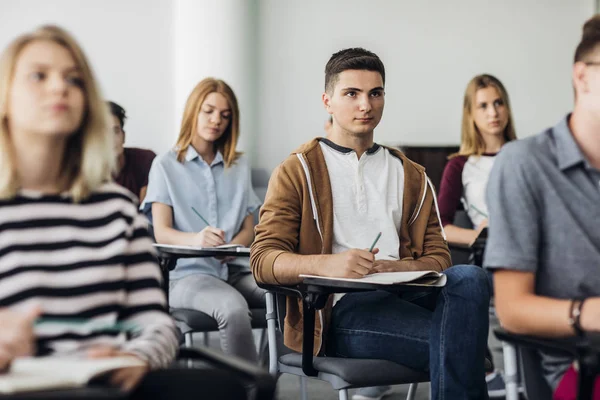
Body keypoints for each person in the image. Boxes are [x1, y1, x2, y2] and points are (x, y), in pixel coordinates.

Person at [251, 47, 491, 400]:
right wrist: (330, 265)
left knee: (471, 276)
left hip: (410, 294)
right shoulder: (297, 171)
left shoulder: (410, 174)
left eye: (375, 93)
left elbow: (439, 258)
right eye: (352, 93)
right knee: (465, 345)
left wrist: (395, 267)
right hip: (341, 310)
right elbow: (263, 261)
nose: (366, 104)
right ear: (327, 101)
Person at [0, 25, 180, 393]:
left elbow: (157, 325)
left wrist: (139, 357)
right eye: (39, 76)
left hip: (102, 389)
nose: (59, 87)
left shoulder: (117, 211)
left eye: (74, 79)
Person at [484, 14, 600, 400]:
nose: (493, 112)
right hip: (583, 363)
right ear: (582, 77)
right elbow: (513, 309)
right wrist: (592, 313)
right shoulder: (525, 163)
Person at [142, 78, 264, 362]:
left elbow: (250, 226)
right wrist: (198, 241)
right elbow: (162, 232)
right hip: (187, 275)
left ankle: (271, 373)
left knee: (289, 299)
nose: (216, 120)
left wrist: (231, 246)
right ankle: (247, 390)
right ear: (193, 111)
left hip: (235, 269)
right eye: (208, 111)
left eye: (224, 115)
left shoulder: (238, 165)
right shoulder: (165, 165)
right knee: (233, 310)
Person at [438, 74, 517, 246]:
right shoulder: (458, 166)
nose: (493, 113)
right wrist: (480, 236)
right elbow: (440, 227)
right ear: (470, 113)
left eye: (498, 103)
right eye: (483, 106)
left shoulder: (526, 156)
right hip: (491, 255)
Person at [109, 101, 156, 203]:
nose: (111, 139)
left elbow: (146, 213)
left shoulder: (145, 161)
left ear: (124, 136)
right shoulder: (83, 173)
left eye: (115, 131)